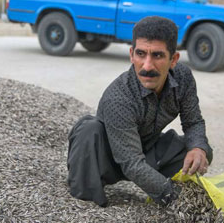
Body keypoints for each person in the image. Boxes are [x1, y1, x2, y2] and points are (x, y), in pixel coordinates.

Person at [66, 16, 213, 207]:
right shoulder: (118, 97)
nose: (147, 66)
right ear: (131, 54)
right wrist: (175, 199)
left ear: (173, 59)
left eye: (158, 56)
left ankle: (160, 180)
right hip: (107, 161)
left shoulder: (183, 78)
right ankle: (88, 188)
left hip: (146, 149)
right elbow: (131, 163)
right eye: (141, 54)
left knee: (202, 151)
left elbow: (193, 122)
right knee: (89, 130)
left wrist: (197, 148)